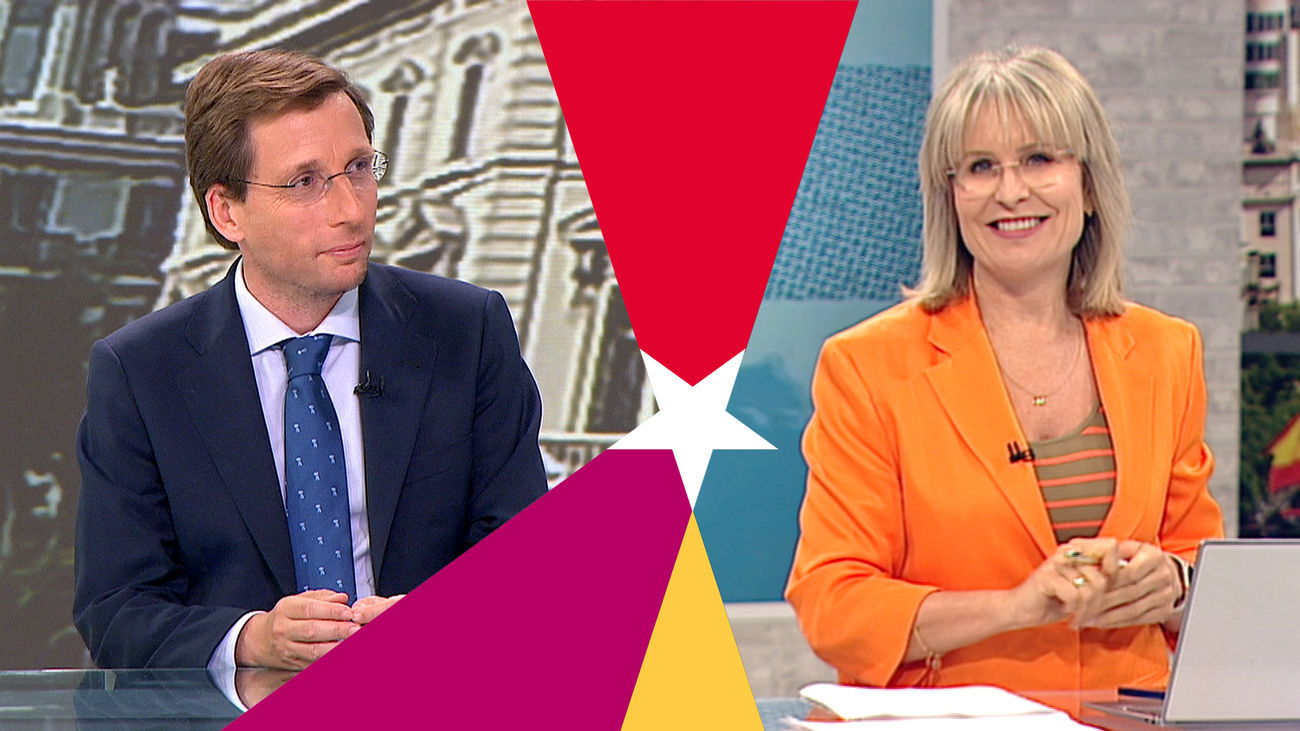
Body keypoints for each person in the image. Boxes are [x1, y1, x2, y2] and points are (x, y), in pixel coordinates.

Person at [74, 49, 548, 671]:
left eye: (359, 168)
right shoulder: (142, 372)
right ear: (227, 212)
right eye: (305, 182)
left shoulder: (467, 330)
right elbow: (116, 610)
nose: (352, 210)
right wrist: (253, 638)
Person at [785, 46, 1224, 690]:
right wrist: (1015, 607)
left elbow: (1205, 574)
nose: (1011, 191)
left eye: (1040, 159)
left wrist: (1176, 584)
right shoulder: (868, 366)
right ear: (952, 196)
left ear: (1089, 186)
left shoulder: (1166, 351)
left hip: (1128, 711)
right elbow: (835, 605)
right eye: (981, 167)